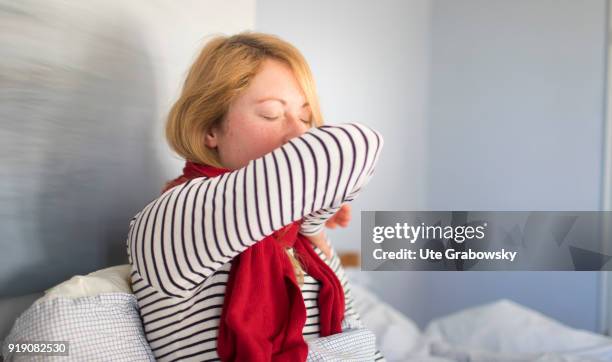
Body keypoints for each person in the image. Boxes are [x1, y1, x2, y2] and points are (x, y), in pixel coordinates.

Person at [126, 31, 385, 361]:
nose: (299, 133)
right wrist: (316, 217)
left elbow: (358, 341)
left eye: (306, 118)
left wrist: (311, 220)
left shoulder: (302, 241)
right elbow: (357, 145)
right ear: (210, 129)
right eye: (271, 114)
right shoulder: (171, 218)